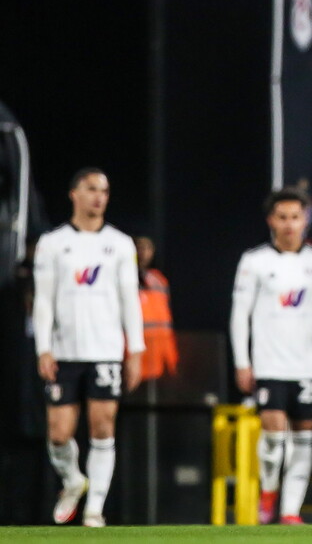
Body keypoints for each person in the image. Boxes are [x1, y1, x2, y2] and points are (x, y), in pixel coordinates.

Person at [33, 168, 145, 527]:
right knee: (58, 433)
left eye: (105, 191)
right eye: (91, 189)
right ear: (74, 194)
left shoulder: (120, 243)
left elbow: (131, 300)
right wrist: (43, 348)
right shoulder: (53, 243)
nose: (99, 196)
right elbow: (44, 301)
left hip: (106, 350)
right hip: (65, 350)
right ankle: (73, 481)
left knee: (102, 426)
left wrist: (136, 350)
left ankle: (95, 507)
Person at [230, 188, 312, 525]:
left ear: (305, 220)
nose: (289, 224)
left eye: (295, 217)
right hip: (269, 363)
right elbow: (240, 314)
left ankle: (291, 510)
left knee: (304, 439)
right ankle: (268, 490)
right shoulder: (254, 261)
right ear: (271, 221)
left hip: (307, 364)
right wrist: (242, 361)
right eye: (282, 217)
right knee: (275, 436)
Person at [135, 236, 178, 380]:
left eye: (148, 248)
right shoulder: (123, 279)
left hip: (160, 354)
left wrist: (170, 355)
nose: (144, 253)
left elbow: (166, 321)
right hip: (135, 354)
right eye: (140, 247)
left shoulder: (159, 280)